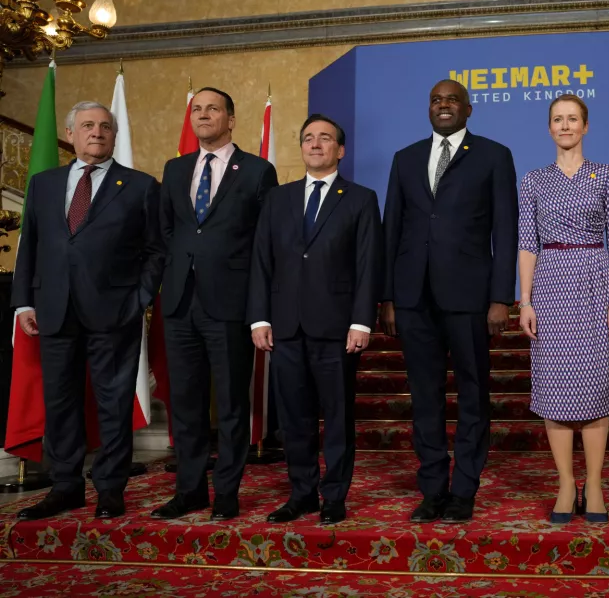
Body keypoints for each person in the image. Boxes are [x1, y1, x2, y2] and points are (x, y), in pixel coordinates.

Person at [12, 101, 165, 520]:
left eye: (104, 126)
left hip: (115, 312)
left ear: (114, 136)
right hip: (53, 311)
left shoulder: (139, 185)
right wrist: (24, 300)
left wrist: (138, 300)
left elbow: (156, 252)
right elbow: (32, 246)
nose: (96, 132)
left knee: (114, 403)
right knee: (60, 402)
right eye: (87, 126)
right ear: (71, 133)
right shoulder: (44, 184)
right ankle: (65, 486)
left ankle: (110, 489)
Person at [380, 79, 517, 523]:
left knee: (474, 394)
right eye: (436, 99)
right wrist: (389, 297)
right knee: (425, 397)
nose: (443, 105)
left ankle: (464, 490)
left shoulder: (494, 155)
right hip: (414, 297)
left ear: (468, 109)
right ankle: (433, 488)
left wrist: (500, 297)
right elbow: (392, 231)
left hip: (471, 297)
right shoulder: (405, 159)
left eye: (452, 99)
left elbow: (506, 231)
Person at [248, 114, 383, 524]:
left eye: (325, 139)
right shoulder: (278, 198)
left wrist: (362, 321)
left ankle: (335, 496)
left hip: (337, 328)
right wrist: (259, 318)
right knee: (294, 417)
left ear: (340, 150)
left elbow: (368, 265)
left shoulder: (360, 198)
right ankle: (302, 492)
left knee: (337, 416)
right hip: (285, 327)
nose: (316, 144)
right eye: (309, 138)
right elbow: (261, 261)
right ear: (301, 147)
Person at [153, 87, 279, 521]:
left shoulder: (258, 171)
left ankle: (227, 491)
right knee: (185, 404)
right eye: (197, 109)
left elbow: (266, 242)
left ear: (231, 119)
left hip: (230, 303)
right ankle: (190, 491)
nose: (203, 115)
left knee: (230, 404)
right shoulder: (174, 169)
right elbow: (166, 233)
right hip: (180, 303)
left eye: (213, 109)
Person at [517, 95, 609, 524]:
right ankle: (566, 482)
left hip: (597, 282)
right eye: (558, 120)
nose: (565, 126)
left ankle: (595, 483)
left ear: (586, 126)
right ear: (549, 128)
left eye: (573, 119)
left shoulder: (607, 176)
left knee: (597, 389)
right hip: (550, 286)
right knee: (555, 391)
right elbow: (528, 244)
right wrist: (525, 301)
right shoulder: (532, 181)